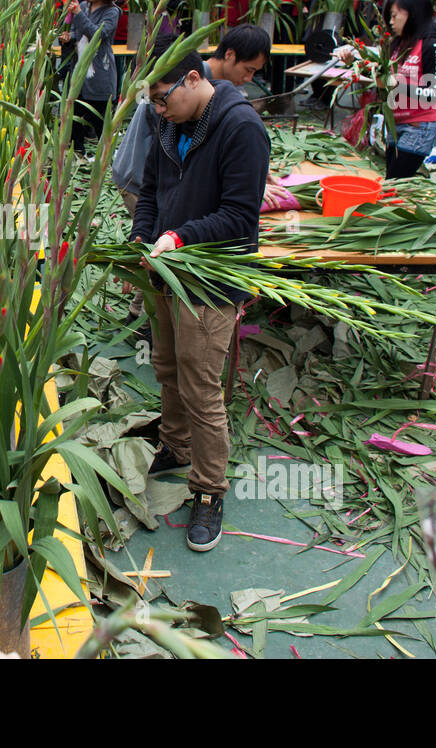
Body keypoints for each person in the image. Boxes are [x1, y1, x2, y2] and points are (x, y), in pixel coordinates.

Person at [133, 33, 269, 553]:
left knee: (200, 387)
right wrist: (144, 236)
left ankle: (210, 491)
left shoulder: (241, 128)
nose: (160, 111)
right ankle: (174, 442)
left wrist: (180, 236)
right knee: (165, 366)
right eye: (154, 103)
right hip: (166, 269)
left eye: (164, 99)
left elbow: (240, 215)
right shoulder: (170, 123)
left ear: (195, 78)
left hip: (209, 280)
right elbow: (150, 190)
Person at [335, 0, 436, 178]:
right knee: (393, 179)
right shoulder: (399, 43)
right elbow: (382, 76)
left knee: (394, 180)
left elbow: (435, 95)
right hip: (396, 123)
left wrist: (395, 85)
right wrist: (354, 63)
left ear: (413, 14)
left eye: (395, 16)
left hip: (420, 126)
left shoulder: (433, 45)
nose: (391, 21)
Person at [59, 0, 120, 153]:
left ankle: (105, 155)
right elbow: (80, 33)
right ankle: (78, 152)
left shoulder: (112, 12)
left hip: (99, 72)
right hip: (78, 71)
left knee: (99, 118)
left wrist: (78, 14)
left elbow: (98, 34)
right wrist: (69, 36)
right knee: (74, 115)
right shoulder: (84, 6)